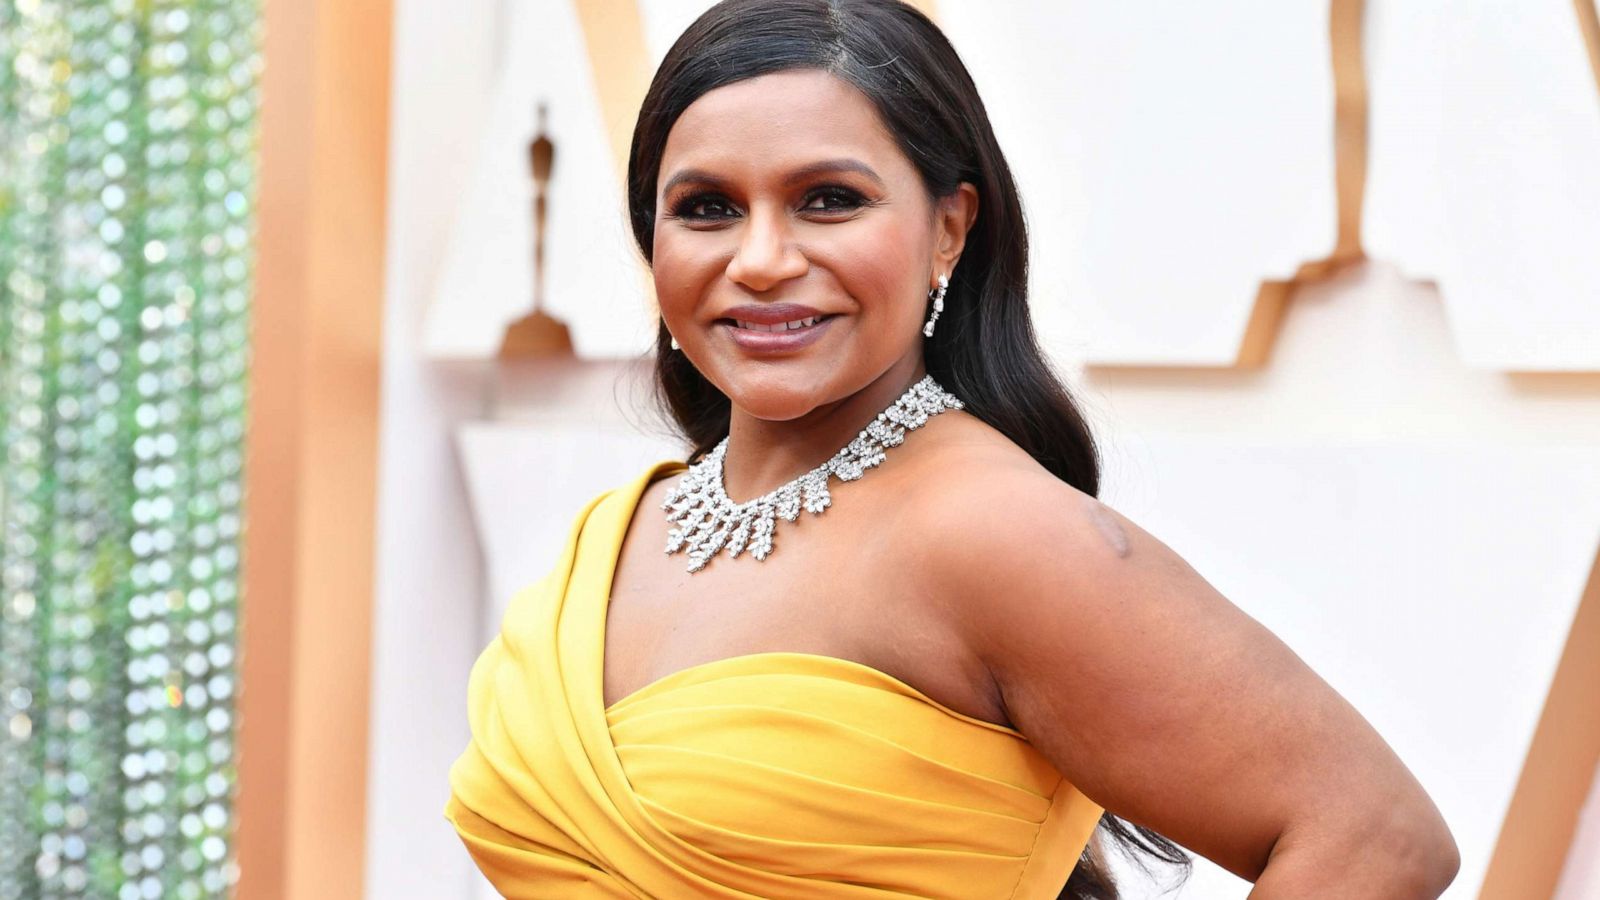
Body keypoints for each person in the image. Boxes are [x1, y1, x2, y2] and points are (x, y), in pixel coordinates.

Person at [444, 1, 1461, 896]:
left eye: (827, 200)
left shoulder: (991, 532)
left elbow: (1375, 838)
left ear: (948, 230)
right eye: (706, 208)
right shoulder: (624, 528)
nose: (759, 260)